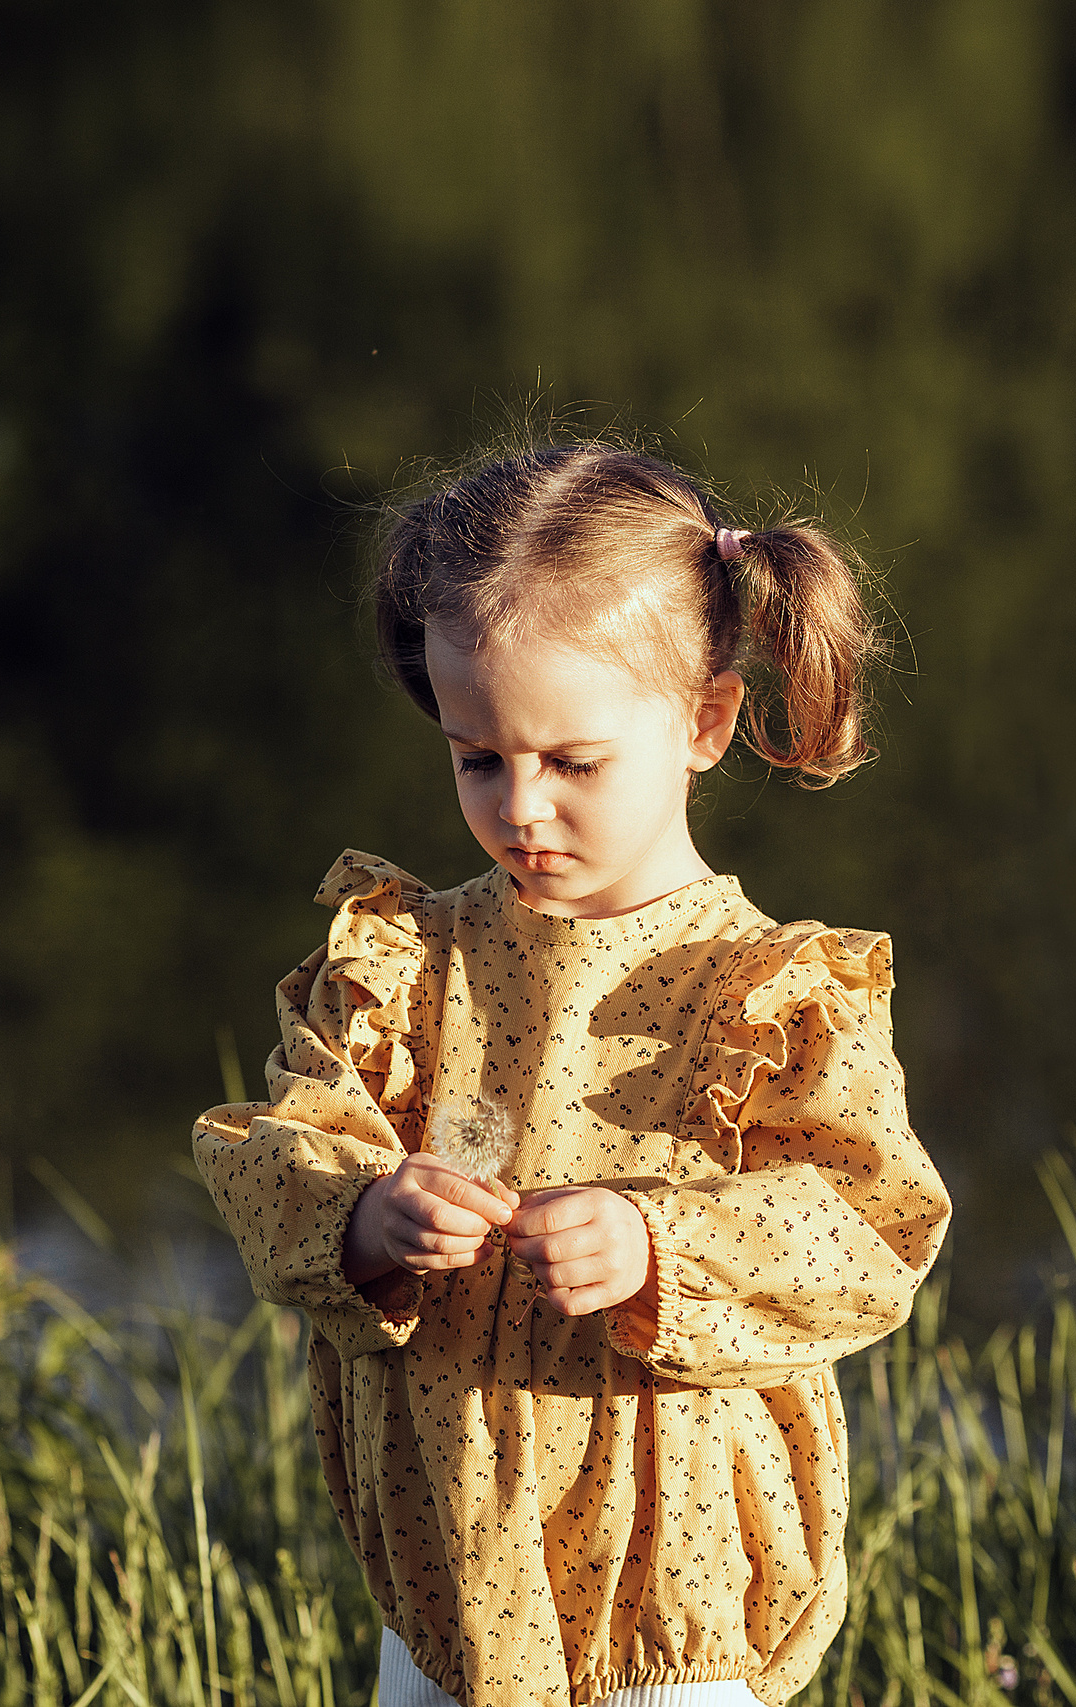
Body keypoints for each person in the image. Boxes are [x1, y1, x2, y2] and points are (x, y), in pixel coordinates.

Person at [193, 441, 951, 1707]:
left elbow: (871, 1229)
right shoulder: (405, 961)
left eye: (572, 763)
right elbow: (278, 1146)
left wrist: (658, 1248)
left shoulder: (771, 990)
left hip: (672, 1599)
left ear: (705, 723)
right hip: (443, 1568)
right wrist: (366, 1211)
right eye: (477, 757)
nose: (519, 807)